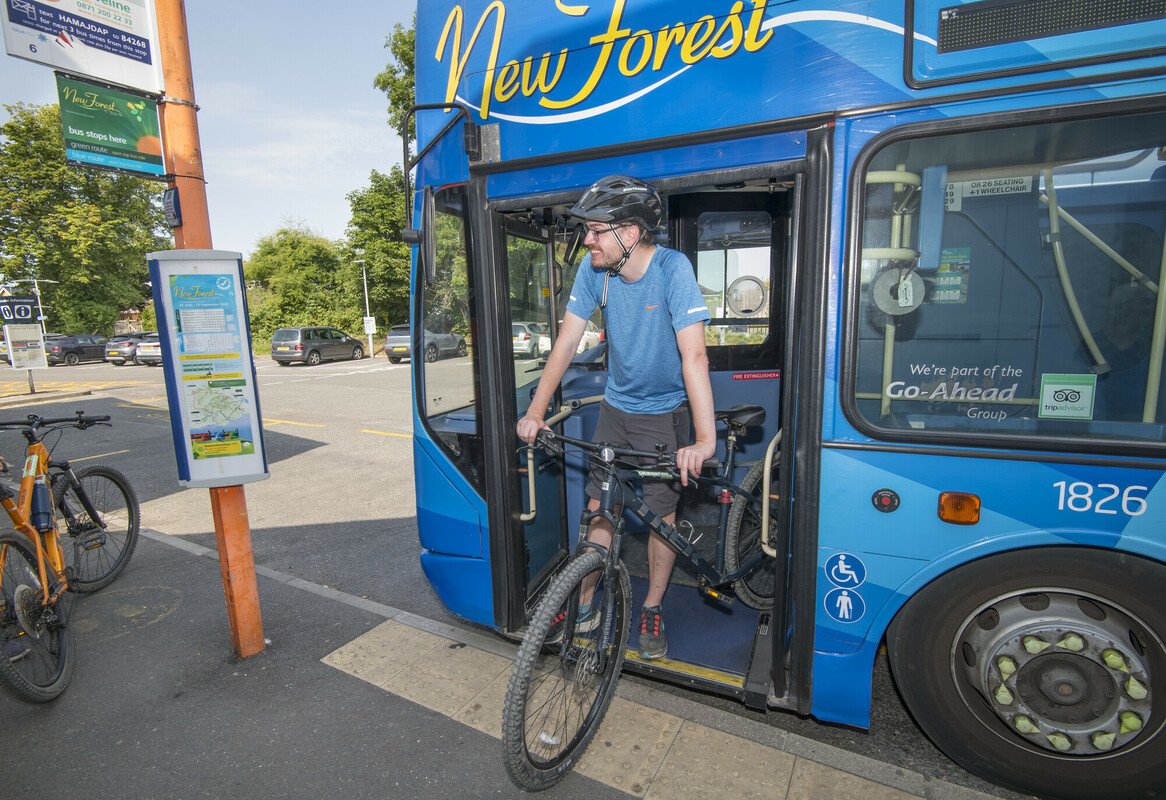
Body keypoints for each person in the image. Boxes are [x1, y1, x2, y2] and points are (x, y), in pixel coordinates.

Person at [516, 175, 715, 660]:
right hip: (615, 409)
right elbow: (565, 342)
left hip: (662, 415)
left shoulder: (672, 269)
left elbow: (695, 358)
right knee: (597, 509)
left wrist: (705, 439)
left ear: (628, 232)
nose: (588, 240)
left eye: (596, 231)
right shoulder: (595, 270)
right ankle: (584, 604)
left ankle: (651, 606)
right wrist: (536, 412)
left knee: (660, 517)